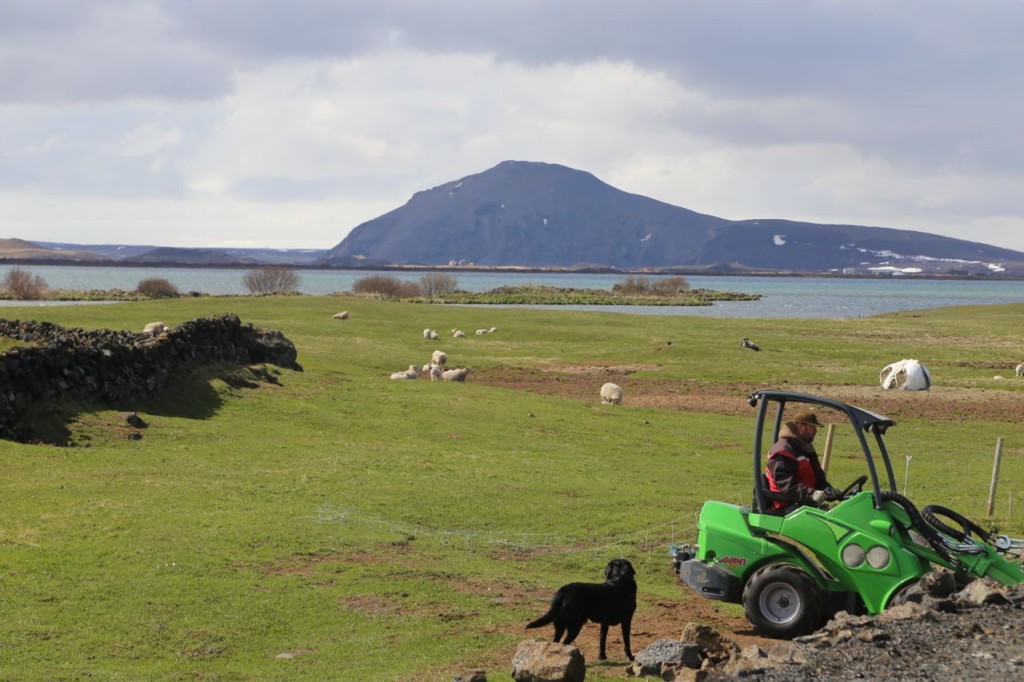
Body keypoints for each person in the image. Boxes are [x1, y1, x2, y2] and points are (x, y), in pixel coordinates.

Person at [764, 410, 840, 512]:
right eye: (812, 427)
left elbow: (818, 477)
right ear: (800, 426)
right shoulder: (783, 451)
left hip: (803, 503)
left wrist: (828, 490)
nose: (815, 431)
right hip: (787, 507)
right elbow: (787, 485)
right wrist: (811, 494)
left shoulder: (805, 449)